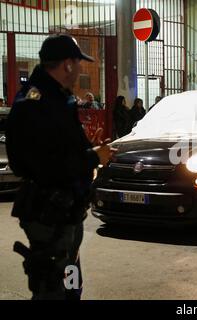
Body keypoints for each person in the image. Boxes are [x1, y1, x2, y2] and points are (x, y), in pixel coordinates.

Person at [5, 34, 116, 300]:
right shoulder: (35, 102)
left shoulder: (58, 98)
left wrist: (87, 149)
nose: (80, 69)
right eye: (78, 63)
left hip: (68, 211)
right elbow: (38, 162)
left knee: (71, 275)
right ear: (67, 64)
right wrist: (93, 158)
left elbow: (59, 149)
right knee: (52, 289)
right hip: (49, 212)